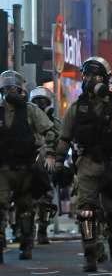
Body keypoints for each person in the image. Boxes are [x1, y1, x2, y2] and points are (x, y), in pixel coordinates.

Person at [55, 57, 112, 272]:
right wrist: (59, 163)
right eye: (87, 75)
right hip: (87, 163)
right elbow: (64, 138)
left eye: (96, 76)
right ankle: (90, 253)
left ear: (106, 79)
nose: (90, 80)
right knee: (86, 210)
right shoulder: (76, 108)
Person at [0, 71, 57, 263]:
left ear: (20, 91)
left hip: (26, 167)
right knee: (0, 206)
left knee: (25, 209)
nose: (8, 92)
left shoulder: (30, 110)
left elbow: (50, 131)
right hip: (3, 168)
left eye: (12, 88)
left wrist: (48, 153)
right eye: (5, 89)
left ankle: (27, 243)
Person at [29, 87, 60, 245]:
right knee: (28, 199)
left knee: (46, 199)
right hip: (30, 163)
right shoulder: (27, 118)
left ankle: (42, 229)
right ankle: (26, 231)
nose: (40, 105)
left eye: (43, 101)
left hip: (48, 164)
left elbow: (61, 140)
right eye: (36, 101)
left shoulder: (54, 123)